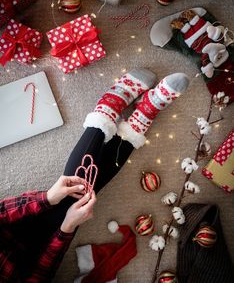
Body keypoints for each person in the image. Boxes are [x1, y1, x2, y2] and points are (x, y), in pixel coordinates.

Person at [0, 69, 189, 282]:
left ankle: (113, 110)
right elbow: (41, 274)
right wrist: (66, 228)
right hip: (35, 256)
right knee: (75, 202)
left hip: (11, 226)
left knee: (69, 194)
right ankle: (127, 115)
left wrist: (46, 198)